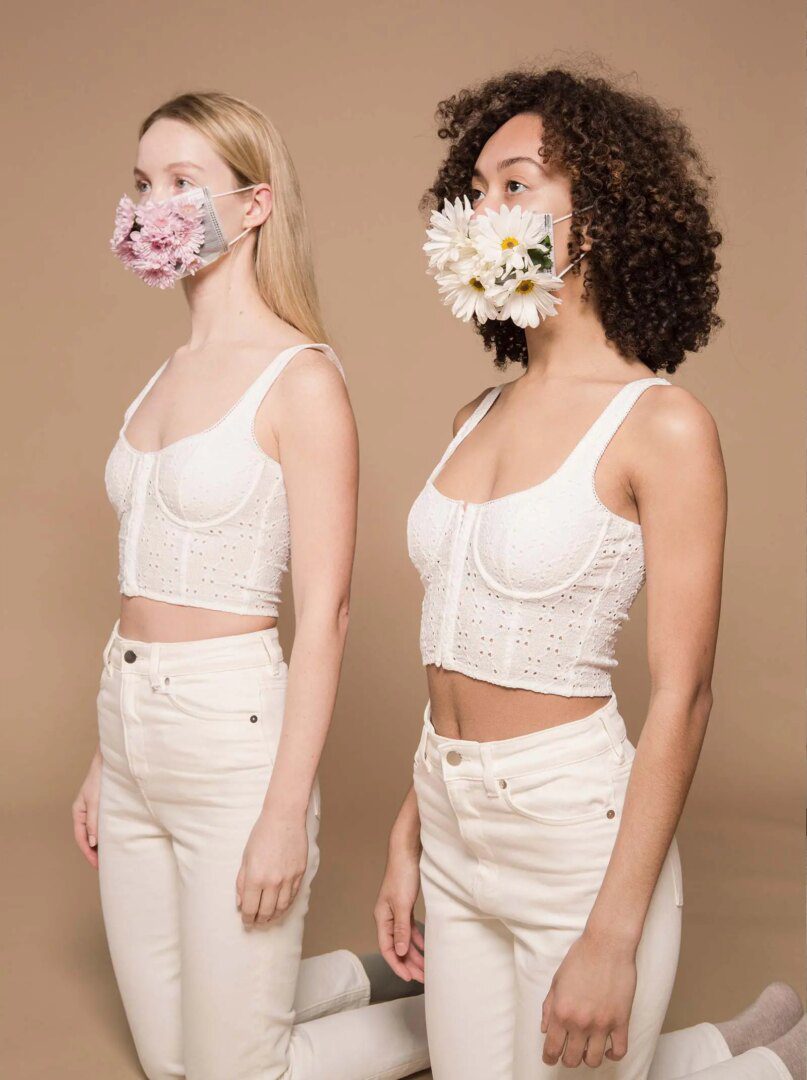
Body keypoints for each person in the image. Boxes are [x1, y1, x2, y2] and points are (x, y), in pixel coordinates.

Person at [375, 66, 804, 1080]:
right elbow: (456, 638)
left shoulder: (661, 423)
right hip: (453, 816)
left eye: (516, 184)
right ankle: (741, 1050)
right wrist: (410, 831)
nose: (487, 209)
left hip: (574, 837)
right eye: (475, 190)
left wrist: (612, 935)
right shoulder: (471, 418)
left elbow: (685, 695)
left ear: (599, 219)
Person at [72, 90, 428, 1080]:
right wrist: (111, 752)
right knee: (170, 1063)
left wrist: (285, 812)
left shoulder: (301, 380)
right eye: (144, 184)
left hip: (232, 738)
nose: (157, 205)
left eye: (187, 183)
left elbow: (329, 617)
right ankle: (350, 979)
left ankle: (471, 1016)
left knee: (234, 1075)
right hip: (130, 713)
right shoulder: (163, 376)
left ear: (256, 204)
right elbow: (142, 576)